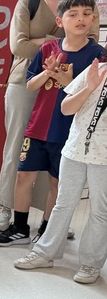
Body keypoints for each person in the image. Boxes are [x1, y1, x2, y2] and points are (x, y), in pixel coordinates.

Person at [0, 0, 98, 232]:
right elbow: (18, 46)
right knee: (17, 146)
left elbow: (90, 45)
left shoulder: (85, 5)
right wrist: (58, 43)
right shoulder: (28, 2)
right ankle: (5, 207)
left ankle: (51, 218)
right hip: (24, 81)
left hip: (69, 85)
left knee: (58, 149)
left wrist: (45, 43)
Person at [14, 55, 107, 283]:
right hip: (74, 150)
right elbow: (66, 108)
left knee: (100, 211)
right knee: (63, 204)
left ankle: (90, 264)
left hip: (104, 157)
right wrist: (89, 88)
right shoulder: (96, 69)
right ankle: (45, 253)